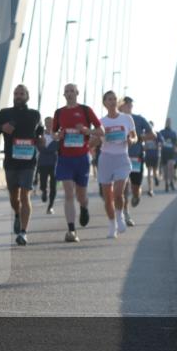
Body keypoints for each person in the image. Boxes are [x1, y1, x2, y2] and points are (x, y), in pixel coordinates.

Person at [0, 84, 44, 246]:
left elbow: (40, 131)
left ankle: (23, 233)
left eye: (21, 93)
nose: (18, 96)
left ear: (27, 96)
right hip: (11, 161)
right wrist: (1, 127)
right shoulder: (5, 113)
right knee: (14, 197)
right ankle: (17, 214)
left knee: (25, 195)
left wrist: (41, 138)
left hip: (29, 161)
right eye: (16, 93)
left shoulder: (34, 114)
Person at [52, 83, 102, 242]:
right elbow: (53, 134)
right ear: (64, 94)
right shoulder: (59, 113)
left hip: (82, 158)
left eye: (72, 91)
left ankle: (84, 207)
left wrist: (87, 131)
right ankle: (71, 230)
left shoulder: (86, 110)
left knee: (81, 195)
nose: (69, 93)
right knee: (68, 193)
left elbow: (101, 131)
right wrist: (58, 136)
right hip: (65, 158)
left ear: (77, 93)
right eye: (67, 91)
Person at [96, 90, 136, 239]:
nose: (112, 102)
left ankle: (120, 217)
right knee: (108, 198)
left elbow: (134, 136)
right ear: (105, 103)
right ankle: (112, 225)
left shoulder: (126, 118)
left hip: (122, 159)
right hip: (106, 159)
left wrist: (131, 140)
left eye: (114, 99)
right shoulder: (101, 122)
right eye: (109, 99)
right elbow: (95, 140)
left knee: (118, 193)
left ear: (117, 102)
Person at [118, 96, 155, 227]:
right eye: (126, 105)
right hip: (120, 157)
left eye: (130, 105)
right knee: (124, 187)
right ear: (120, 106)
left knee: (135, 188)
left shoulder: (139, 119)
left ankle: (136, 196)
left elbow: (153, 135)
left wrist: (139, 138)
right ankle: (125, 213)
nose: (128, 107)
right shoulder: (116, 119)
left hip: (136, 157)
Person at [37, 117, 59, 215]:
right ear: (45, 123)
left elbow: (58, 147)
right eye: (47, 122)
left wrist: (48, 149)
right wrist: (48, 149)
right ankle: (44, 191)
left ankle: (50, 206)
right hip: (43, 163)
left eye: (50, 122)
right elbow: (39, 147)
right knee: (43, 183)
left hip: (54, 163)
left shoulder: (56, 135)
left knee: (53, 186)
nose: (49, 124)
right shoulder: (40, 135)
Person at [158, 118, 177, 192]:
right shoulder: (161, 132)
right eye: (167, 122)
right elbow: (158, 141)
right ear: (165, 122)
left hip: (171, 153)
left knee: (171, 168)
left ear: (171, 123)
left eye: (169, 122)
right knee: (165, 170)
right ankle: (166, 184)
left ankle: (171, 182)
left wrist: (176, 149)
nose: (168, 123)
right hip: (164, 152)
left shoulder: (173, 133)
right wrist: (160, 145)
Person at [142, 119, 160, 197]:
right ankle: (150, 189)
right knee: (149, 172)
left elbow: (160, 144)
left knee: (155, 172)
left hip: (155, 155)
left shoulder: (157, 134)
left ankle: (156, 178)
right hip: (148, 155)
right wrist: (144, 147)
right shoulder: (144, 134)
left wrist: (157, 145)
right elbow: (143, 146)